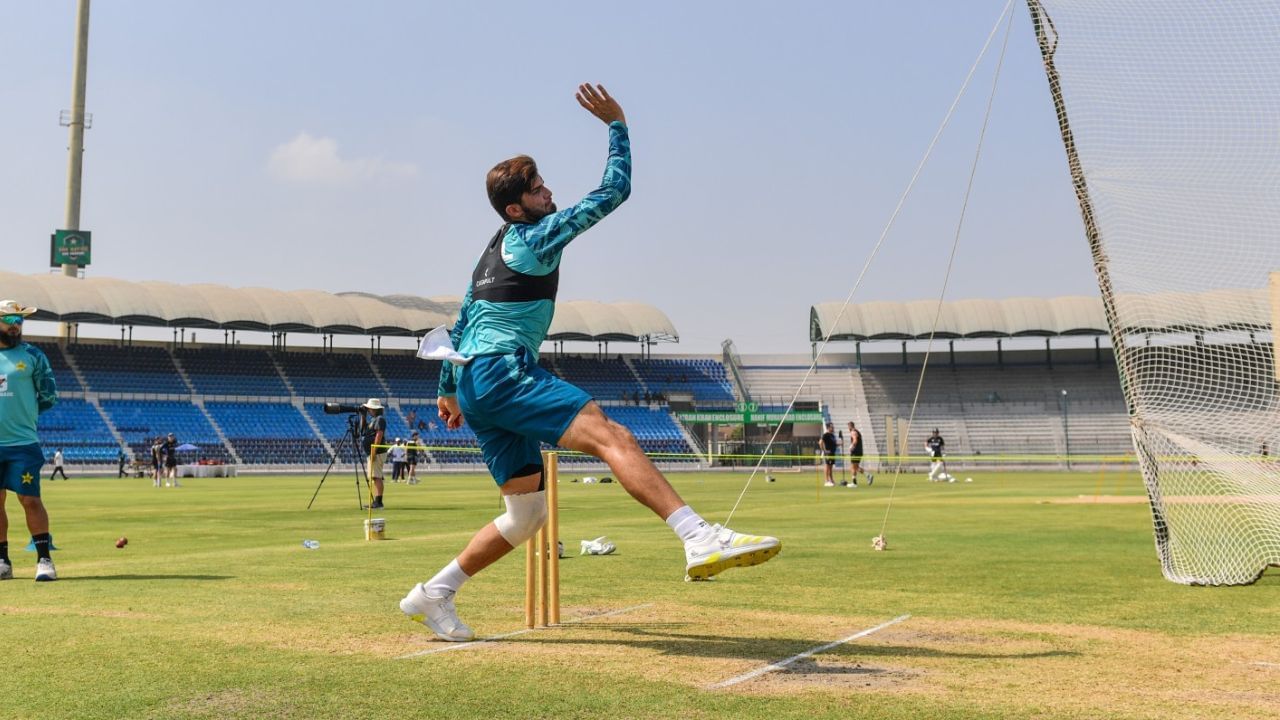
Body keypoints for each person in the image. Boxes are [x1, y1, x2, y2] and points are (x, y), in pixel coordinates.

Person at [400, 84, 779, 642]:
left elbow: (463, 320)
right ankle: (698, 536)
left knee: (526, 516)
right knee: (612, 435)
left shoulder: (492, 247)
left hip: (478, 382)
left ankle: (433, 594)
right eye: (535, 188)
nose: (547, 190)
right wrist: (617, 124)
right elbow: (614, 191)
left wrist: (450, 387)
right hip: (504, 372)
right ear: (515, 207)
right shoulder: (535, 236)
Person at [0, 300, 59, 581]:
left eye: (20, 320)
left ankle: (44, 560)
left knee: (30, 499)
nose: (16, 325)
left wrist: (25, 415)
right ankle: (2, 561)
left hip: (22, 443)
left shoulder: (34, 355)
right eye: (10, 318)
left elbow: (48, 396)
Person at [360, 398, 388, 508]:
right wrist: (363, 416)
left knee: (376, 477)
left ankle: (378, 501)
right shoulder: (373, 419)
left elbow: (379, 434)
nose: (368, 410)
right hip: (374, 451)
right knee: (375, 476)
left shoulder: (379, 419)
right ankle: (377, 501)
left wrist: (374, 451)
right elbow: (362, 430)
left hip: (377, 452)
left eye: (369, 409)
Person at [846, 422, 872, 487]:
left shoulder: (853, 432)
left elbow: (855, 440)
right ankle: (868, 475)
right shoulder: (857, 431)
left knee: (853, 467)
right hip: (859, 451)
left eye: (848, 427)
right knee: (856, 467)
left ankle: (854, 483)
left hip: (855, 452)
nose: (848, 428)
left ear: (850, 426)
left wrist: (851, 446)